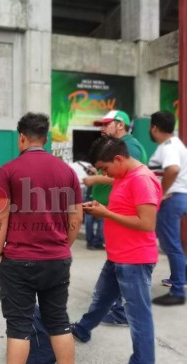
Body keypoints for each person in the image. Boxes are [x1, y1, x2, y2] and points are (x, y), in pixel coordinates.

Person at [0, 113, 83, 364]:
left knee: (19, 326)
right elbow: (76, 217)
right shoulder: (67, 172)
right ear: (46, 138)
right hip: (57, 259)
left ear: (22, 137)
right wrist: (64, 246)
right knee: (59, 321)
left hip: (18, 261)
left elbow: (0, 217)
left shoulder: (9, 170)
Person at [71, 136, 161, 364]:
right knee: (101, 298)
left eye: (105, 168)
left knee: (137, 315)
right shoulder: (124, 177)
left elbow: (147, 223)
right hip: (118, 255)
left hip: (135, 259)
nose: (103, 173)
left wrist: (106, 213)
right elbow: (124, 208)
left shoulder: (141, 180)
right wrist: (100, 207)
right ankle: (83, 329)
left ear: (119, 159)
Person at [85, 110, 148, 326]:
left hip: (122, 216)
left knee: (125, 265)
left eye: (106, 124)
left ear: (120, 125)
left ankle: (120, 311)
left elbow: (131, 177)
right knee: (115, 265)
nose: (102, 129)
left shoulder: (129, 147)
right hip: (113, 212)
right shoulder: (118, 147)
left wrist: (94, 180)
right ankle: (108, 312)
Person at [148, 111, 187, 306]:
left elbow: (172, 169)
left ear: (154, 127)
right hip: (179, 197)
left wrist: (160, 193)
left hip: (172, 199)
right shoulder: (175, 144)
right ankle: (181, 276)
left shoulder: (168, 146)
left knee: (171, 245)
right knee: (175, 244)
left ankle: (178, 290)